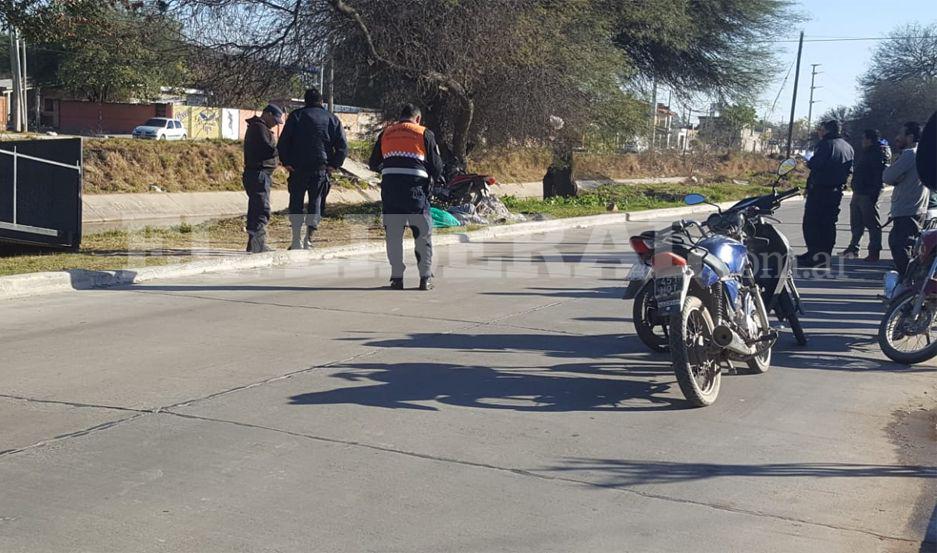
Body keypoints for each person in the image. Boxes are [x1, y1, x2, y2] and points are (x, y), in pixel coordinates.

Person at [368, 104, 444, 290]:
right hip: (416, 193)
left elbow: (373, 163)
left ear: (400, 117)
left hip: (391, 192)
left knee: (393, 236)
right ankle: (425, 278)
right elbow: (437, 166)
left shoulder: (387, 132)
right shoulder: (424, 133)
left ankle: (397, 279)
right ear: (417, 119)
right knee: (422, 235)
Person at [277, 88, 348, 250]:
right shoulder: (332, 119)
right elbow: (343, 147)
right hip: (321, 168)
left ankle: (295, 239)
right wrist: (334, 165)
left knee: (296, 202)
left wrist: (286, 162)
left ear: (305, 101)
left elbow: (283, 142)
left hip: (297, 168)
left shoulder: (296, 116)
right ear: (321, 102)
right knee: (316, 202)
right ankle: (309, 238)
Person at [798, 120, 855, 268]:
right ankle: (822, 254)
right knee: (829, 224)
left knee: (812, 224)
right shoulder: (848, 147)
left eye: (821, 129)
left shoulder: (826, 144)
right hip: (836, 191)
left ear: (827, 130)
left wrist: (808, 161)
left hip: (820, 190)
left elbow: (816, 164)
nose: (819, 132)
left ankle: (816, 255)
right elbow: (850, 169)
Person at [885, 121, 928, 275]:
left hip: (907, 209)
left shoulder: (910, 154)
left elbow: (888, 176)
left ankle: (908, 281)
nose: (897, 138)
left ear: (910, 137)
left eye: (901, 134)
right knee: (904, 243)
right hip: (917, 208)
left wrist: (896, 177)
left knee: (900, 245)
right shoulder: (925, 153)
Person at [242, 104, 283, 253]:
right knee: (261, 208)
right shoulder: (259, 128)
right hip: (258, 174)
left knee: (256, 208)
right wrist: (283, 149)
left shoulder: (258, 127)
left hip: (258, 174)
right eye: (275, 120)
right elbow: (268, 149)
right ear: (267, 114)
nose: (275, 123)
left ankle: (253, 243)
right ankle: (258, 243)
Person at [841, 129, 887, 261]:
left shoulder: (877, 154)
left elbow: (878, 176)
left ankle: (874, 251)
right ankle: (853, 248)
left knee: (872, 224)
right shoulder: (866, 153)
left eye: (863, 138)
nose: (862, 141)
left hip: (868, 194)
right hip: (858, 192)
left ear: (869, 140)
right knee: (856, 223)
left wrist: (874, 194)